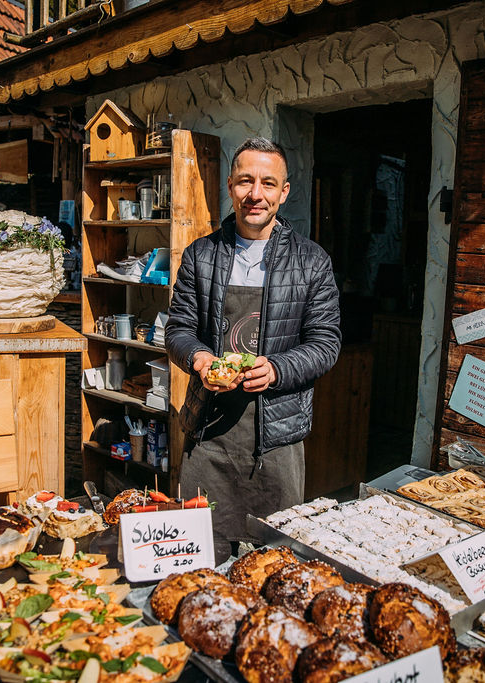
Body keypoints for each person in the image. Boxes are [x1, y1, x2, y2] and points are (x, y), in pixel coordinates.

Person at [166, 137, 342, 560]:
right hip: (208, 433)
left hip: (277, 440)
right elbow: (178, 330)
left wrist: (277, 369)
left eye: (267, 183)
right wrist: (200, 358)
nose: (255, 194)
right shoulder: (201, 255)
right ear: (230, 185)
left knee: (275, 560)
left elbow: (326, 342)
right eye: (245, 181)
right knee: (200, 555)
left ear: (284, 191)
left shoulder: (312, 262)